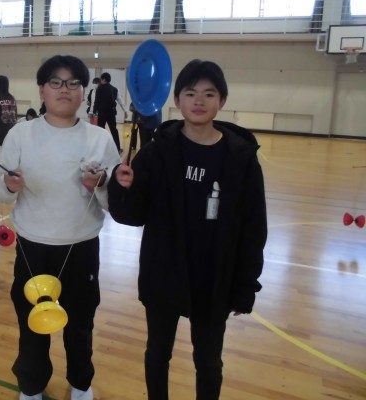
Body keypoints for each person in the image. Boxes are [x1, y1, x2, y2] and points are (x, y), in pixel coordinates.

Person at [106, 59, 267, 400]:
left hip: (214, 278)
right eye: (190, 93)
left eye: (209, 93)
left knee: (208, 361)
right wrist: (122, 188)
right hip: (163, 273)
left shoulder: (240, 158)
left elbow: (254, 227)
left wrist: (246, 285)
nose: (199, 101)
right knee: (157, 353)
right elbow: (132, 216)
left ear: (222, 100)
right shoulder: (156, 152)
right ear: (177, 100)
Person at [0, 55, 121, 400]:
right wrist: (9, 186)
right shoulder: (21, 134)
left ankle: (81, 383)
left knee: (80, 323)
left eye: (73, 82)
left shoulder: (100, 139)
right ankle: (31, 386)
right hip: (33, 247)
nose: (65, 89)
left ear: (83, 92)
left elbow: (116, 201)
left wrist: (100, 185)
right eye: (56, 82)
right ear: (42, 90)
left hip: (81, 247)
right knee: (32, 322)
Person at [93, 72, 127, 152]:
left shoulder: (99, 89)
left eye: (101, 79)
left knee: (101, 130)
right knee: (114, 130)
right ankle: (117, 148)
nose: (101, 81)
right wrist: (125, 111)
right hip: (111, 113)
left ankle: (101, 148)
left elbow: (96, 101)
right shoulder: (115, 89)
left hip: (102, 113)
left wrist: (94, 111)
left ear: (104, 79)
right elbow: (120, 101)